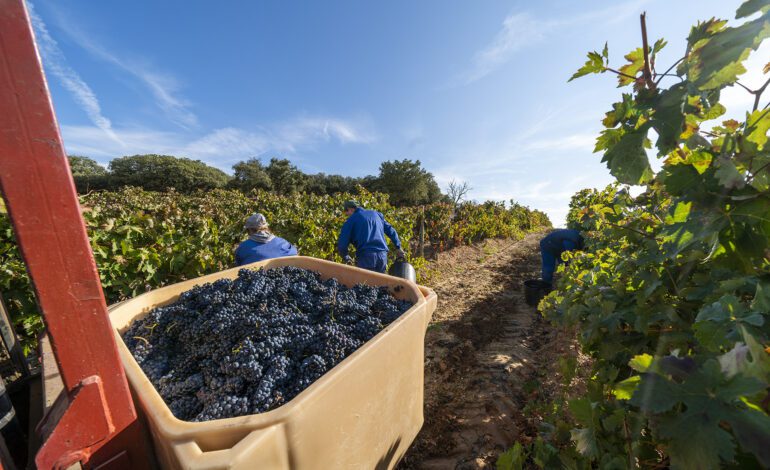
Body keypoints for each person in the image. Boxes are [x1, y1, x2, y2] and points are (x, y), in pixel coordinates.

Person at [337, 200, 405, 273]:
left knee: (366, 283)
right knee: (380, 282)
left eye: (347, 213)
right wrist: (398, 246)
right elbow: (391, 231)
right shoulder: (377, 215)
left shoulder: (351, 220)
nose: (347, 215)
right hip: (382, 256)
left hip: (366, 256)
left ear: (351, 209)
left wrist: (346, 257)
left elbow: (342, 244)